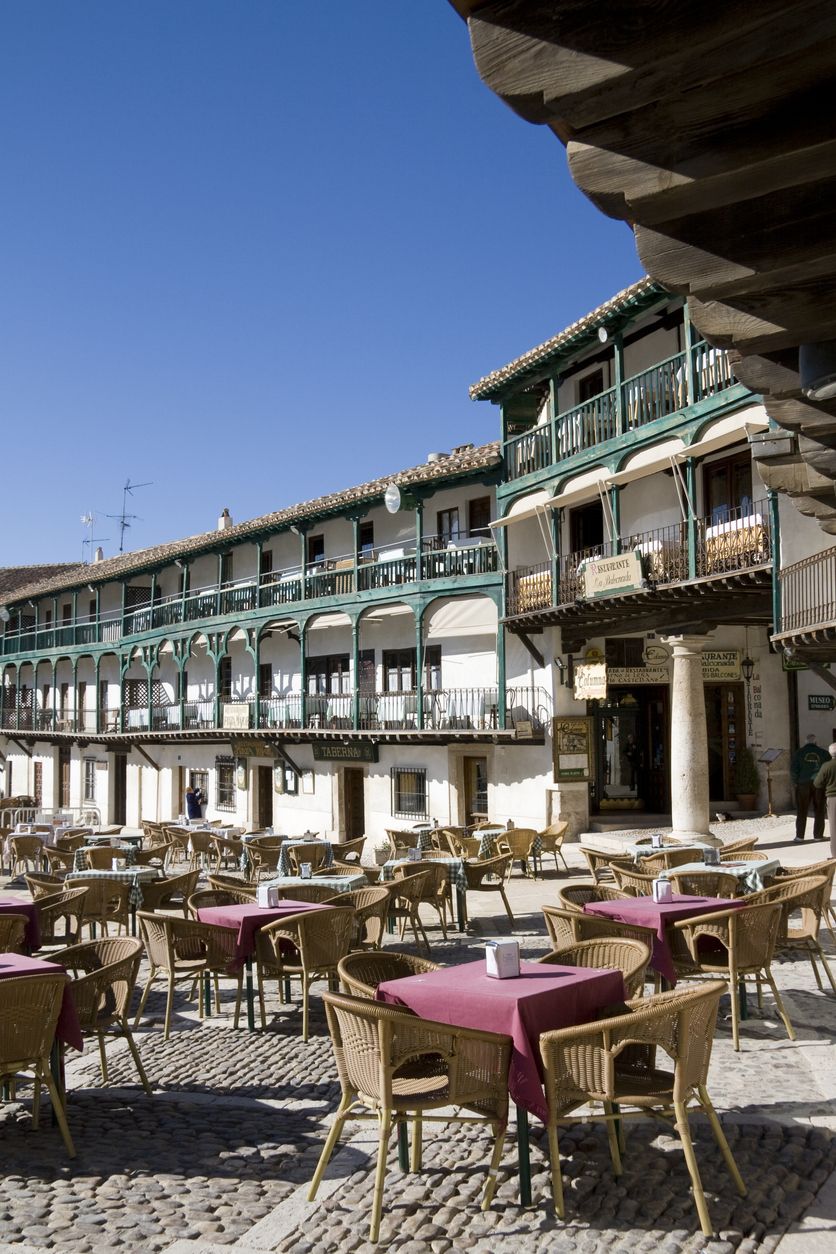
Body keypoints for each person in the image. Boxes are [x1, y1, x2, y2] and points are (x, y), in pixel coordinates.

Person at [790, 734, 829, 842]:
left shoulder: (799, 753)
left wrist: (795, 782)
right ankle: (818, 836)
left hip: (803, 783)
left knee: (802, 810)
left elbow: (793, 770)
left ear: (806, 742)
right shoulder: (824, 753)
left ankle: (800, 836)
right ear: (816, 742)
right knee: (819, 809)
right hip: (819, 784)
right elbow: (827, 769)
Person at [813, 743, 836, 858]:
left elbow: (817, 783)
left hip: (833, 799)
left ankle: (835, 855)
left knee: (834, 827)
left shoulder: (826, 766)